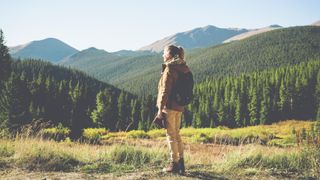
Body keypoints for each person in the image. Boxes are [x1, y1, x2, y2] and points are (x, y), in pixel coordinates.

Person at [156, 45, 191, 173]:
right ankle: (181, 163)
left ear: (170, 55)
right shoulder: (184, 67)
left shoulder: (170, 68)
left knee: (171, 135)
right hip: (179, 107)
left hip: (169, 107)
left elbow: (165, 91)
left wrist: (160, 108)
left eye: (164, 53)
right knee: (176, 134)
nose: (163, 55)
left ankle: (174, 164)